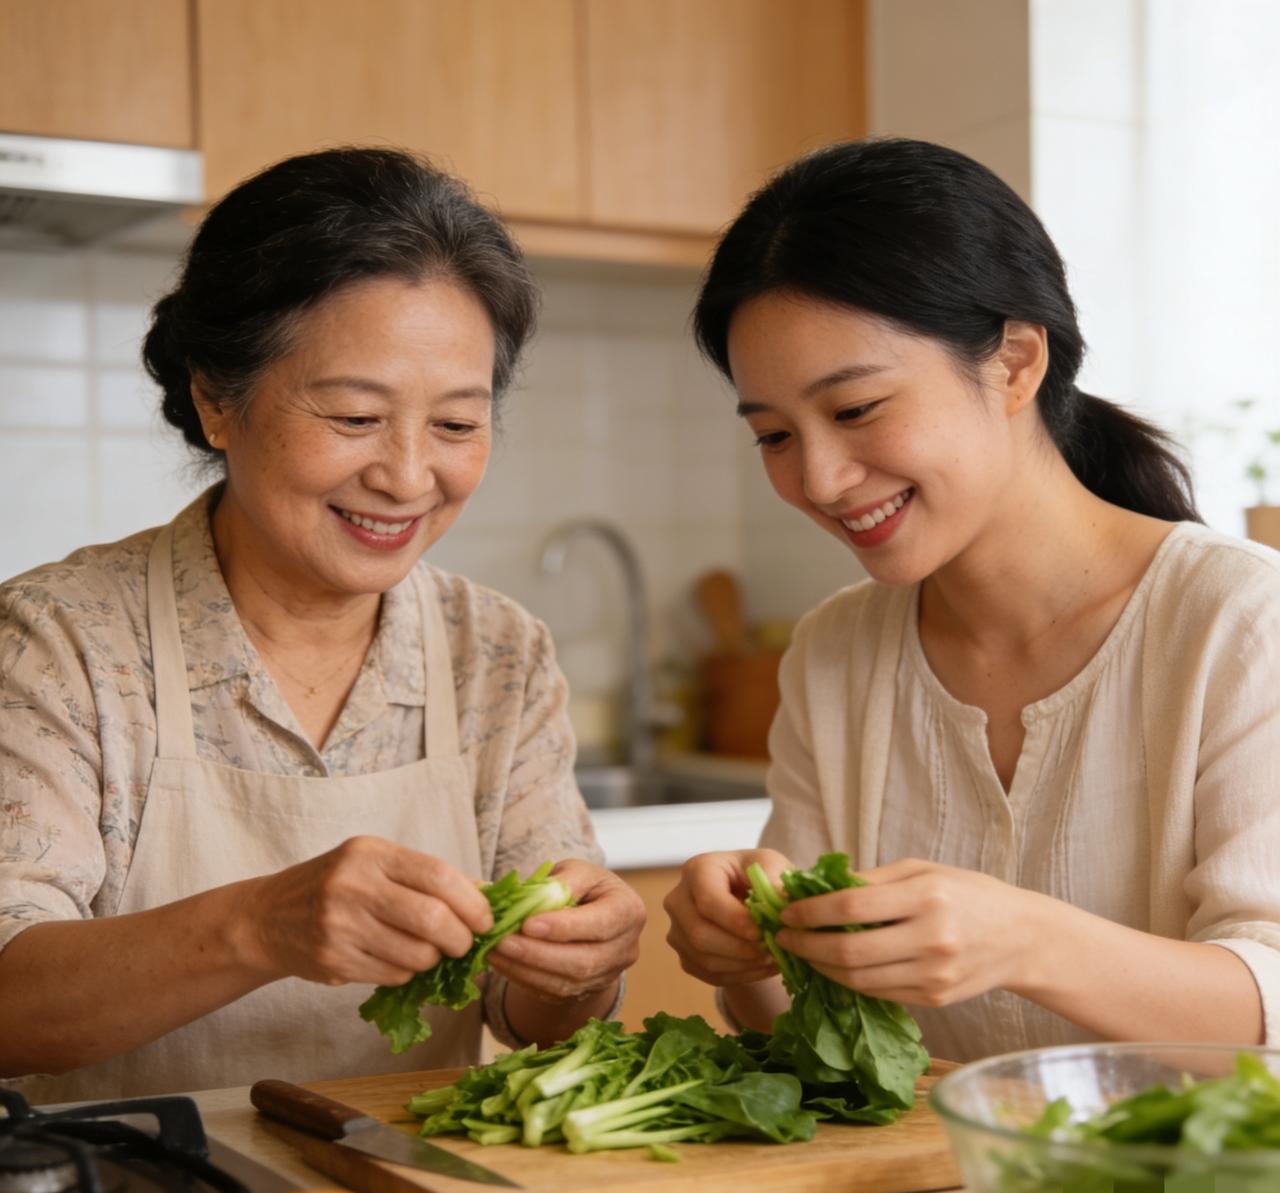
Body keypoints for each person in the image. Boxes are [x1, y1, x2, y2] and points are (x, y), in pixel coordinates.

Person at [0, 147, 644, 1100]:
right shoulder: (59, 641)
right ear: (218, 399)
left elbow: (527, 1015)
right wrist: (261, 927)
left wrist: (581, 969)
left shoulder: (495, 652)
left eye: (458, 426)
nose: (408, 475)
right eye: (353, 417)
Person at [664, 138, 1280, 1062]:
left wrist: (1026, 940)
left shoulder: (1240, 622)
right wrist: (747, 958)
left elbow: (1268, 999)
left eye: (858, 409)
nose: (821, 479)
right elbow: (812, 1036)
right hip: (955, 1189)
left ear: (1016, 363)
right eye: (775, 436)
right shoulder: (836, 652)